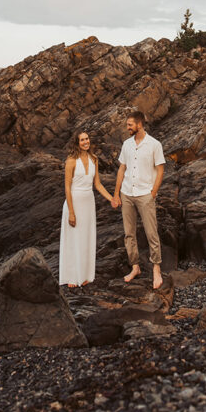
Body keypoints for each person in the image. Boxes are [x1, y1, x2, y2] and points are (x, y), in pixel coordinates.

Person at [111, 109, 166, 289]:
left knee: (151, 232)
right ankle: (135, 267)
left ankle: (156, 269)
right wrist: (116, 193)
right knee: (129, 233)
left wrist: (153, 192)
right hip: (127, 193)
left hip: (145, 194)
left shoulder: (154, 145)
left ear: (139, 124)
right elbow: (122, 169)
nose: (127, 127)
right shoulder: (126, 144)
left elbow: (160, 169)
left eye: (130, 125)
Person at [59, 130, 114, 288]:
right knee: (73, 239)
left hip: (89, 203)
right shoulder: (71, 161)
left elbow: (97, 184)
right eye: (82, 140)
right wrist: (71, 212)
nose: (85, 142)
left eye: (87, 139)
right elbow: (67, 188)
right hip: (74, 202)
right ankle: (71, 276)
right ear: (77, 143)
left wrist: (111, 199)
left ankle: (84, 275)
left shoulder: (94, 159)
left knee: (86, 238)